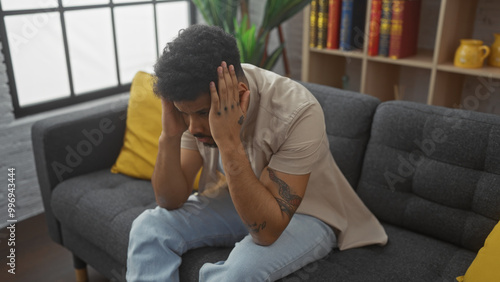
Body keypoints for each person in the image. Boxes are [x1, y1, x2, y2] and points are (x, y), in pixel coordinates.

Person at [126, 24, 387, 282]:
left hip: (308, 213)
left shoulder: (297, 111)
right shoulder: (195, 107)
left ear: (239, 94)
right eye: (185, 113)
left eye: (202, 114)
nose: (192, 127)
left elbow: (267, 232)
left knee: (238, 275)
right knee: (149, 228)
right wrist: (169, 136)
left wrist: (229, 142)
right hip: (236, 199)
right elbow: (170, 200)